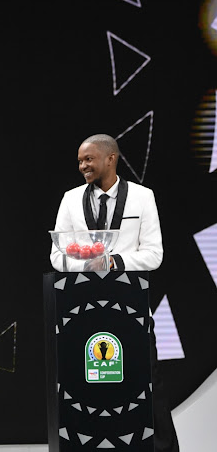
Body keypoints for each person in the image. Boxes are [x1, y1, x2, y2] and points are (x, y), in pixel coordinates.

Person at [50, 133, 178, 452]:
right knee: (88, 390)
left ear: (111, 158)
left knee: (148, 387)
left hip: (132, 308)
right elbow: (56, 256)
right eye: (80, 160)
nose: (83, 166)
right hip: (82, 313)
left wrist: (114, 260)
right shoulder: (70, 199)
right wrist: (89, 261)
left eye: (88, 159)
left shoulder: (142, 197)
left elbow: (154, 254)